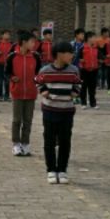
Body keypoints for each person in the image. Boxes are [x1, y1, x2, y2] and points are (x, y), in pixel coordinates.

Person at [35, 41, 82, 184]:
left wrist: (75, 93)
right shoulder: (45, 70)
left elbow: (78, 83)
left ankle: (62, 170)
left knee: (65, 141)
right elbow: (38, 81)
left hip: (67, 111)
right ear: (60, 54)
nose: (72, 55)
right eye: (70, 53)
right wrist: (44, 91)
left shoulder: (73, 70)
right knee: (49, 141)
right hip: (49, 111)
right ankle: (51, 170)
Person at [6, 31, 41, 156]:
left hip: (31, 93)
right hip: (17, 92)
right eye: (32, 42)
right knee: (17, 120)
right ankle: (16, 144)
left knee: (28, 120)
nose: (34, 44)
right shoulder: (12, 56)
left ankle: (25, 143)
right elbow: (7, 72)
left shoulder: (36, 56)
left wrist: (37, 84)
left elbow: (39, 74)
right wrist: (12, 78)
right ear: (24, 42)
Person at [78, 31, 100, 109]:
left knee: (92, 88)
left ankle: (93, 103)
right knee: (83, 87)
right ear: (89, 38)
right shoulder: (82, 48)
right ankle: (83, 103)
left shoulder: (96, 48)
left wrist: (100, 61)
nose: (95, 39)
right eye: (94, 37)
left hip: (94, 70)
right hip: (84, 70)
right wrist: (81, 61)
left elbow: (100, 57)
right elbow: (78, 58)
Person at [0, 30, 12, 102]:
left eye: (8, 34)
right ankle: (0, 95)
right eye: (6, 34)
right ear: (2, 35)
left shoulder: (11, 44)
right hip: (0, 64)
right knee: (0, 80)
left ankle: (7, 96)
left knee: (7, 81)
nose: (7, 35)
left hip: (8, 65)